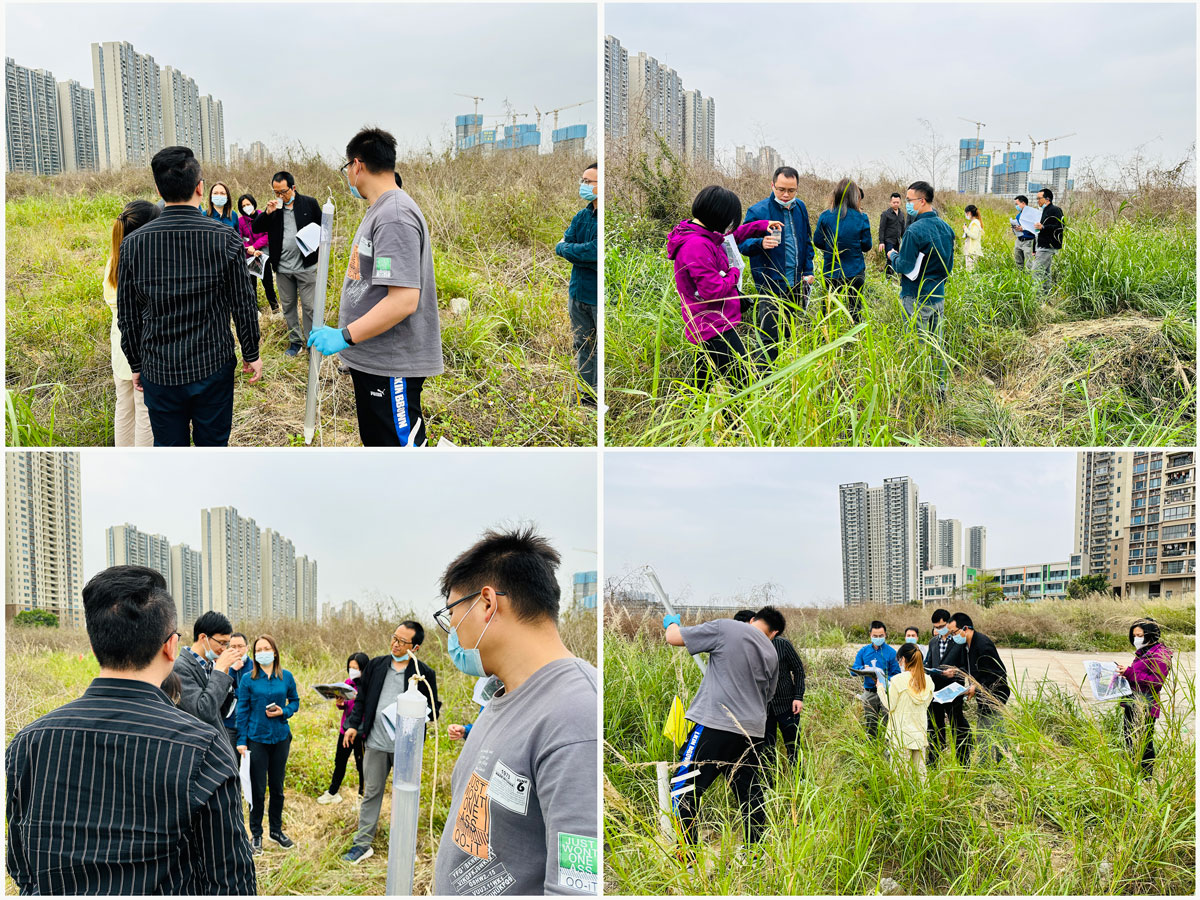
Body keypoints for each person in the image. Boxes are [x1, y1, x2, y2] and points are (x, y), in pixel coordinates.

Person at [5, 565, 255, 894]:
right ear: (171, 646)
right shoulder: (203, 750)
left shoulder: (28, 742)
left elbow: (21, 866)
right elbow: (230, 884)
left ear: (95, 647)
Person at [433, 528, 598, 895]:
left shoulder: (575, 714)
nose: (454, 634)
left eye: (453, 614)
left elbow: (576, 886)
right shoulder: (503, 696)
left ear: (487, 603)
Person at [116, 145, 262, 446]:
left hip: (159, 370)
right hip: (213, 366)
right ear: (200, 187)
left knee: (170, 456)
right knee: (213, 448)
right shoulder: (225, 238)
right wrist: (251, 353)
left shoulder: (132, 245)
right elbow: (243, 303)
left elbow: (127, 315)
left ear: (158, 188)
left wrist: (136, 364)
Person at [307, 128, 444, 447]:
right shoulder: (381, 209)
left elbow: (404, 301)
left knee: (397, 454)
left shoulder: (394, 215)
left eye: (346, 170)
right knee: (378, 447)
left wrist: (343, 335)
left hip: (390, 366)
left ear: (357, 166)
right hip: (375, 360)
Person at [662, 607, 779, 857]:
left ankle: (688, 859)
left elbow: (674, 638)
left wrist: (671, 624)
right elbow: (768, 696)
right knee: (749, 794)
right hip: (752, 732)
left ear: (751, 620)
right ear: (773, 632)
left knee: (682, 788)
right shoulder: (771, 651)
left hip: (716, 724)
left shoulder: (726, 627)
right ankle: (754, 854)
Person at [342, 621, 441, 864]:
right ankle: (362, 844)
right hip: (376, 742)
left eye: (402, 641)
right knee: (371, 793)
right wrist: (353, 725)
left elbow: (433, 710)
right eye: (394, 638)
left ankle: (405, 845)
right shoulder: (376, 665)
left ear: (415, 648)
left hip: (406, 749)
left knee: (406, 795)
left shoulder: (423, 673)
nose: (395, 644)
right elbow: (362, 699)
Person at [668, 185, 776, 388]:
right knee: (744, 385)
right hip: (714, 326)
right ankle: (734, 420)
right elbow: (713, 290)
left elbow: (732, 237)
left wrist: (762, 226)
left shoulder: (703, 234)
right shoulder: (697, 245)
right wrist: (734, 272)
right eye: (729, 220)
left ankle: (695, 416)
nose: (730, 226)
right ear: (718, 217)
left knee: (701, 385)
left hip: (707, 322)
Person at [738, 166, 815, 364]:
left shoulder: (800, 208)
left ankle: (781, 376)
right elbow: (741, 244)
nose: (786, 195)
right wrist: (760, 243)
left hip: (796, 283)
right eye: (781, 189)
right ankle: (763, 384)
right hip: (770, 285)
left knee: (788, 333)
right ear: (772, 185)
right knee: (768, 339)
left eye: (791, 190)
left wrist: (808, 271)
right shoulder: (758, 211)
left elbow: (806, 241)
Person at [886, 181, 955, 399]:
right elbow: (949, 266)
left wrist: (892, 256)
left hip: (915, 295)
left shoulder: (914, 231)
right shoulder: (947, 228)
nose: (906, 204)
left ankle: (918, 391)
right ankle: (939, 390)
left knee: (916, 344)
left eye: (909, 200)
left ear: (921, 201)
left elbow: (905, 266)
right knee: (937, 344)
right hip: (938, 295)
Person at [236, 634, 300, 855]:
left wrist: (285, 711)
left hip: (280, 738)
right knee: (258, 790)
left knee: (278, 788)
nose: (262, 652)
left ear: (274, 651)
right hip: (257, 739)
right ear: (254, 655)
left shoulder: (286, 677)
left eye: (266, 648)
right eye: (258, 649)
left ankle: (275, 830)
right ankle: (256, 834)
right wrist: (242, 740)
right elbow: (242, 711)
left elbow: (295, 701)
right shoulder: (248, 679)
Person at [105, 200, 161, 446]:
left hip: (119, 347)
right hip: (141, 348)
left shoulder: (113, 260)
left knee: (124, 408)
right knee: (144, 412)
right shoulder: (142, 262)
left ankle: (123, 460)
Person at [252, 169, 323, 355]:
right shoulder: (274, 208)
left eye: (283, 191)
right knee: (288, 306)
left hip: (306, 266)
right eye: (276, 192)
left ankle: (311, 343)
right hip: (283, 268)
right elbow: (256, 228)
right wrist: (267, 213)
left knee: (309, 307)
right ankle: (295, 342)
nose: (280, 195)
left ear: (293, 187)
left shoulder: (309, 204)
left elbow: (324, 228)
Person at [555, 161, 598, 404]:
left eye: (588, 182)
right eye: (583, 181)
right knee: (583, 345)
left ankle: (599, 396)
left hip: (596, 296)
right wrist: (578, 252)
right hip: (577, 292)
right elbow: (560, 246)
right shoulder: (581, 216)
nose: (583, 185)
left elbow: (595, 251)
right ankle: (587, 397)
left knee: (599, 349)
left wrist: (573, 250)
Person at [946, 612, 1009, 761]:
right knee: (996, 732)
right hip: (983, 695)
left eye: (954, 632)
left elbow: (996, 674)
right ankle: (1005, 762)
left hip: (994, 694)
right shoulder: (966, 645)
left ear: (965, 628)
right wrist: (957, 671)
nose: (953, 636)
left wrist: (976, 686)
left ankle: (987, 770)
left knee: (985, 734)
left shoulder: (983, 644)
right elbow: (969, 667)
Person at [1116, 618, 1173, 776]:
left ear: (1151, 634)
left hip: (1146, 704)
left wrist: (1129, 672)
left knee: (1144, 741)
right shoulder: (1145, 651)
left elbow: (1156, 681)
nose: (1136, 639)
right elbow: (1139, 675)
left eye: (1139, 635)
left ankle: (1147, 778)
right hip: (1133, 701)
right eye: (1134, 635)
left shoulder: (1160, 654)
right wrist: (1124, 672)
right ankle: (1135, 773)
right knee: (1130, 739)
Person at [812, 178, 873, 323]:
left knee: (828, 309)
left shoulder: (825, 215)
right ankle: (855, 338)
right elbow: (867, 246)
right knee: (855, 309)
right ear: (855, 196)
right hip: (855, 270)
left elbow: (817, 241)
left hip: (831, 270)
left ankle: (826, 338)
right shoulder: (862, 217)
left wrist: (831, 249)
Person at [173, 610, 242, 732]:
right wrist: (220, 672)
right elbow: (204, 713)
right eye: (221, 643)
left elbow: (221, 713)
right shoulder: (180, 667)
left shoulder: (210, 665)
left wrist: (224, 672)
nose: (224, 649)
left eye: (227, 644)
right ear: (203, 637)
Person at [318, 651, 369, 804]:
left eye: (356, 668)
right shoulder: (348, 682)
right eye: (350, 667)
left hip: (360, 733)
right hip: (344, 730)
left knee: (362, 765)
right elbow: (346, 706)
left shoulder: (369, 686)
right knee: (340, 761)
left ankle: (362, 796)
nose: (353, 671)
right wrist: (341, 703)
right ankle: (333, 792)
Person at [875, 641, 934, 775]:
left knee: (900, 773)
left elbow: (890, 706)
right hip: (919, 733)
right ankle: (923, 796)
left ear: (903, 660)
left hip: (900, 734)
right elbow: (926, 704)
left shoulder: (898, 680)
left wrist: (880, 688)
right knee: (920, 773)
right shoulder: (928, 680)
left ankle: (899, 797)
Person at [757, 614, 806, 770]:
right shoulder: (752, 645)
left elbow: (798, 669)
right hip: (764, 708)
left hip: (787, 704)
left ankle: (798, 778)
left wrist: (798, 697)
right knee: (767, 748)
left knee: (793, 744)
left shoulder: (783, 645)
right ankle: (770, 781)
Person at [926, 608, 970, 766]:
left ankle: (963, 763)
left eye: (942, 626)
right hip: (935, 692)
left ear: (949, 623)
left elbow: (967, 668)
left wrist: (956, 673)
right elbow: (928, 664)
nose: (939, 629)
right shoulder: (932, 642)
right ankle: (933, 763)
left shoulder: (959, 641)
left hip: (953, 692)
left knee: (957, 726)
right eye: (936, 627)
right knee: (934, 728)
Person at [852, 621, 900, 739]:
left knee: (887, 723)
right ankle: (872, 749)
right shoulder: (863, 651)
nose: (878, 638)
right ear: (870, 635)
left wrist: (882, 677)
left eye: (880, 636)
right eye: (875, 636)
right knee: (870, 723)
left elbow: (897, 675)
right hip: (870, 693)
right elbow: (853, 670)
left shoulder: (891, 652)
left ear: (885, 635)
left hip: (886, 692)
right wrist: (863, 669)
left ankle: (888, 750)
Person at [236, 192, 279, 312]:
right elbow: (240, 237)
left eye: (248, 204)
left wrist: (255, 246)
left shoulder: (262, 215)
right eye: (243, 206)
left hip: (263, 255)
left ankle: (275, 308)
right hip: (249, 257)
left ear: (253, 203)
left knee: (268, 283)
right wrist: (249, 249)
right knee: (251, 285)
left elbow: (267, 235)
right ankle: (255, 310)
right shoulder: (240, 221)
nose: (246, 207)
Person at [221, 632, 251, 754]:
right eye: (233, 647)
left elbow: (251, 694)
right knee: (231, 761)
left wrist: (237, 693)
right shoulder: (223, 667)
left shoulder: (255, 668)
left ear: (247, 648)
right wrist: (232, 670)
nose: (237, 650)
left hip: (250, 724)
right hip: (229, 724)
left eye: (240, 646)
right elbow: (222, 691)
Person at [1032, 188, 1064, 291]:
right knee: (1045, 274)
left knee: (1036, 272)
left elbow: (1060, 226)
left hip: (1048, 246)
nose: (1037, 200)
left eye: (1039, 198)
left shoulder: (1055, 210)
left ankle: (1037, 298)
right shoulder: (1043, 211)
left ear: (1047, 199)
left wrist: (1043, 227)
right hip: (1041, 245)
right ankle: (1046, 298)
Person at [878, 192, 907, 277]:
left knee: (896, 258)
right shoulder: (885, 214)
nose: (896, 204)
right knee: (890, 258)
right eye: (894, 202)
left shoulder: (901, 214)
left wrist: (904, 240)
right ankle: (888, 277)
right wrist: (881, 242)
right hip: (888, 240)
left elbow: (903, 229)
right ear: (890, 202)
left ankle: (891, 275)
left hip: (897, 241)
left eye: (897, 202)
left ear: (900, 202)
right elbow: (882, 228)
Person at [1009, 195, 1038, 271]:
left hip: (1028, 241)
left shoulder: (1032, 214)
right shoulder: (1018, 215)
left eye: (1017, 204)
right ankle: (1020, 277)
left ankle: (1030, 279)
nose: (1016, 206)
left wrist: (1024, 229)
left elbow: (1035, 228)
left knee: (1029, 263)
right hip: (1019, 240)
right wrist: (1015, 228)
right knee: (1018, 261)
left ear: (1023, 203)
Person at [962, 205, 984, 270]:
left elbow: (974, 236)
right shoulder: (973, 222)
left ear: (970, 213)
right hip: (971, 250)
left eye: (966, 213)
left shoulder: (975, 223)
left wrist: (966, 229)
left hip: (972, 250)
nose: (966, 215)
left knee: (970, 270)